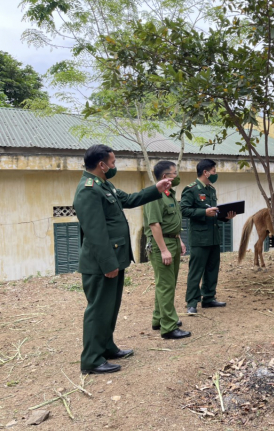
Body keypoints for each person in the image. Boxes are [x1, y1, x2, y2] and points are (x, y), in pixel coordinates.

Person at [73, 145, 172, 375]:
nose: (115, 166)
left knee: (110, 307)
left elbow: (129, 199)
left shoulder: (104, 185)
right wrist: (109, 264)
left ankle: (106, 347)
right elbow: (95, 233)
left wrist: (155, 189)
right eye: (113, 162)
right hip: (101, 263)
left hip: (114, 259)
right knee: (98, 310)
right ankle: (91, 359)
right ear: (102, 165)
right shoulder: (88, 189)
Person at [143, 161, 191, 339]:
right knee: (165, 285)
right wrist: (163, 250)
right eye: (174, 173)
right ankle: (169, 327)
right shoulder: (155, 196)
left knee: (166, 283)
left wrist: (179, 240)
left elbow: (170, 222)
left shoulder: (169, 194)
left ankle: (159, 318)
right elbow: (154, 224)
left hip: (172, 241)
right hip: (160, 244)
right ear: (165, 177)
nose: (177, 176)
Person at [181, 159, 235, 313]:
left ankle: (209, 298)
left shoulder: (211, 190)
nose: (215, 174)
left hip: (213, 237)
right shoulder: (191, 189)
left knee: (212, 268)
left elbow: (213, 213)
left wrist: (226, 217)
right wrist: (203, 212)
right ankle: (192, 302)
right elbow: (184, 210)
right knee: (196, 270)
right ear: (206, 172)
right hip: (199, 238)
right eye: (214, 171)